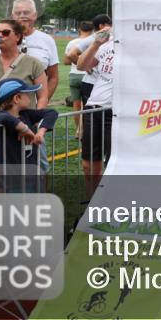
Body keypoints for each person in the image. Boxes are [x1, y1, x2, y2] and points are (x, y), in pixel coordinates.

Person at [0, 78, 58, 191]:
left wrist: (40, 133)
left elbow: (52, 113)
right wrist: (26, 130)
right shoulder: (0, 116)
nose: (31, 97)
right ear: (17, 98)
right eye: (27, 94)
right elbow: (5, 118)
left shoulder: (27, 114)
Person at [77, 24, 115, 198]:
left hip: (117, 112)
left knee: (113, 164)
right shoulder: (107, 44)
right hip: (94, 107)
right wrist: (96, 44)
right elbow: (81, 65)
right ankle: (92, 203)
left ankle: (111, 203)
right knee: (89, 164)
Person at [0, 19, 49, 109]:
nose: (0, 35)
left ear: (17, 37)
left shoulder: (34, 64)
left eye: (5, 32)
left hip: (23, 121)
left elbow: (43, 97)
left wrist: (36, 119)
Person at [9, 0, 59, 102]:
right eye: (18, 13)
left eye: (26, 12)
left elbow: (53, 77)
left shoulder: (47, 40)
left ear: (35, 15)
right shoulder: (3, 38)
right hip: (6, 105)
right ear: (12, 16)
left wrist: (42, 102)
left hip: (34, 106)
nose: (22, 16)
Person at [64, 21, 93, 136]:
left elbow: (66, 61)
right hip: (88, 76)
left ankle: (78, 131)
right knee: (89, 105)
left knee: (76, 105)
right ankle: (87, 130)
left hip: (74, 75)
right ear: (92, 30)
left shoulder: (72, 42)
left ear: (79, 29)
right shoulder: (92, 42)